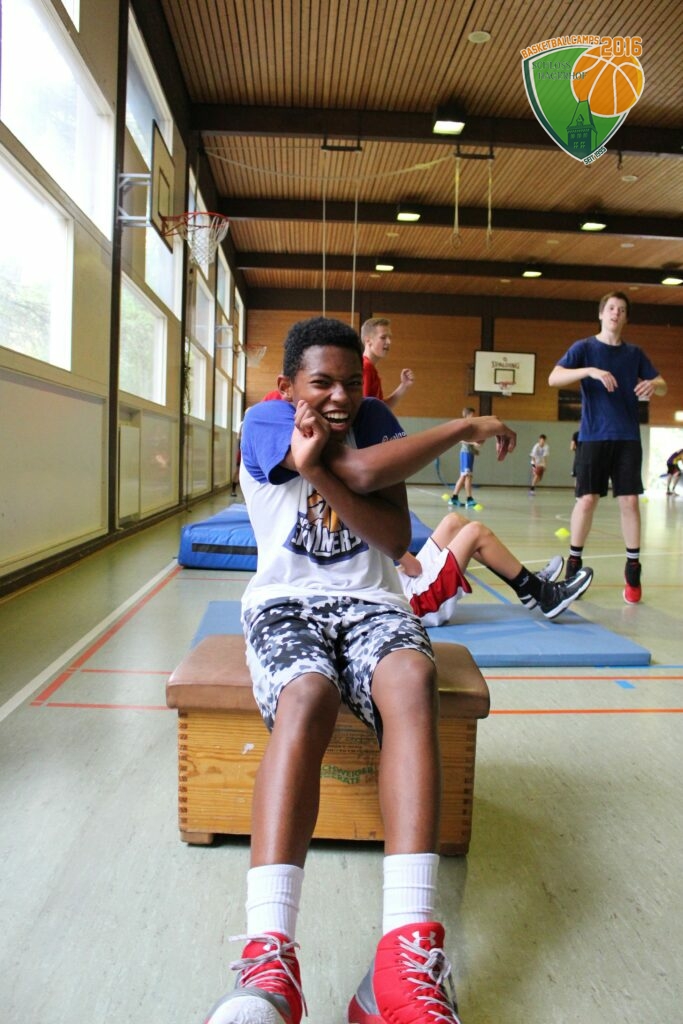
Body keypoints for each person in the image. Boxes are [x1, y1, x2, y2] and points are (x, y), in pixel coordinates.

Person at [203, 315, 518, 1024]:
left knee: (411, 678)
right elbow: (366, 471)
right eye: (322, 383)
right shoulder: (264, 420)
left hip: (373, 603)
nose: (340, 397)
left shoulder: (373, 420)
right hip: (286, 604)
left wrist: (320, 467)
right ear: (288, 385)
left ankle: (402, 959)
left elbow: (388, 531)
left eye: (351, 382)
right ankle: (269, 957)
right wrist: (464, 426)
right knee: (306, 693)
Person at [548, 290, 667, 604]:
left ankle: (633, 569)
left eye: (622, 309)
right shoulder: (584, 348)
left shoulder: (634, 353)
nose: (616, 313)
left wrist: (653, 384)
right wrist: (590, 371)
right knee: (587, 500)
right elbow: (553, 378)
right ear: (601, 314)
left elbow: (663, 385)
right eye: (611, 308)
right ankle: (574, 563)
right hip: (593, 436)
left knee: (629, 501)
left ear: (625, 318)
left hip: (627, 437)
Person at [397, 512, 592, 626]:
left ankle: (525, 586)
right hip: (412, 604)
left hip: (402, 586)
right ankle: (544, 594)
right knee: (476, 532)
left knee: (454, 523)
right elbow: (414, 567)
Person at [361, 316, 415, 409]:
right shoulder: (366, 367)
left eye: (390, 337)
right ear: (368, 340)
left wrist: (404, 386)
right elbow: (364, 410)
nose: (389, 342)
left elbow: (381, 409)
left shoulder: (370, 368)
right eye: (383, 337)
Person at [448, 407, 480, 508]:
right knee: (467, 476)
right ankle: (469, 499)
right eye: (473, 414)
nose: (474, 416)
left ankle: (454, 498)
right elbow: (460, 439)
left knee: (464, 476)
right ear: (468, 415)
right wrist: (473, 443)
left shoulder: (470, 426)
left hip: (469, 453)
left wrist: (474, 449)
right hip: (466, 453)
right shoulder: (464, 425)